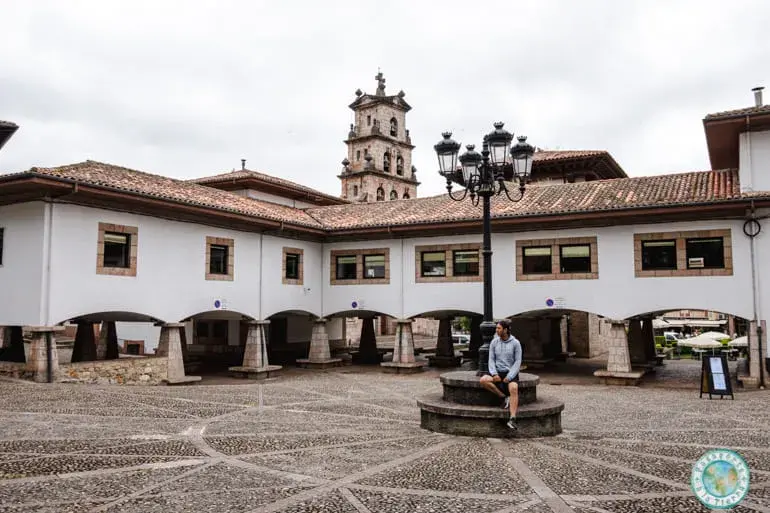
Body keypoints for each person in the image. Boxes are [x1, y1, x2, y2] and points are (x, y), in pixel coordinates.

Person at [479, 319, 522, 430]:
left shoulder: (515, 343)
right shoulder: (494, 342)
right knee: (483, 380)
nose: (496, 330)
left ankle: (512, 418)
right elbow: (491, 360)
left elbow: (517, 362)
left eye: (498, 328)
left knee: (514, 388)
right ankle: (503, 397)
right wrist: (494, 374)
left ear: (505, 330)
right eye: (496, 328)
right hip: (497, 372)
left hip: (510, 372)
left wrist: (510, 376)